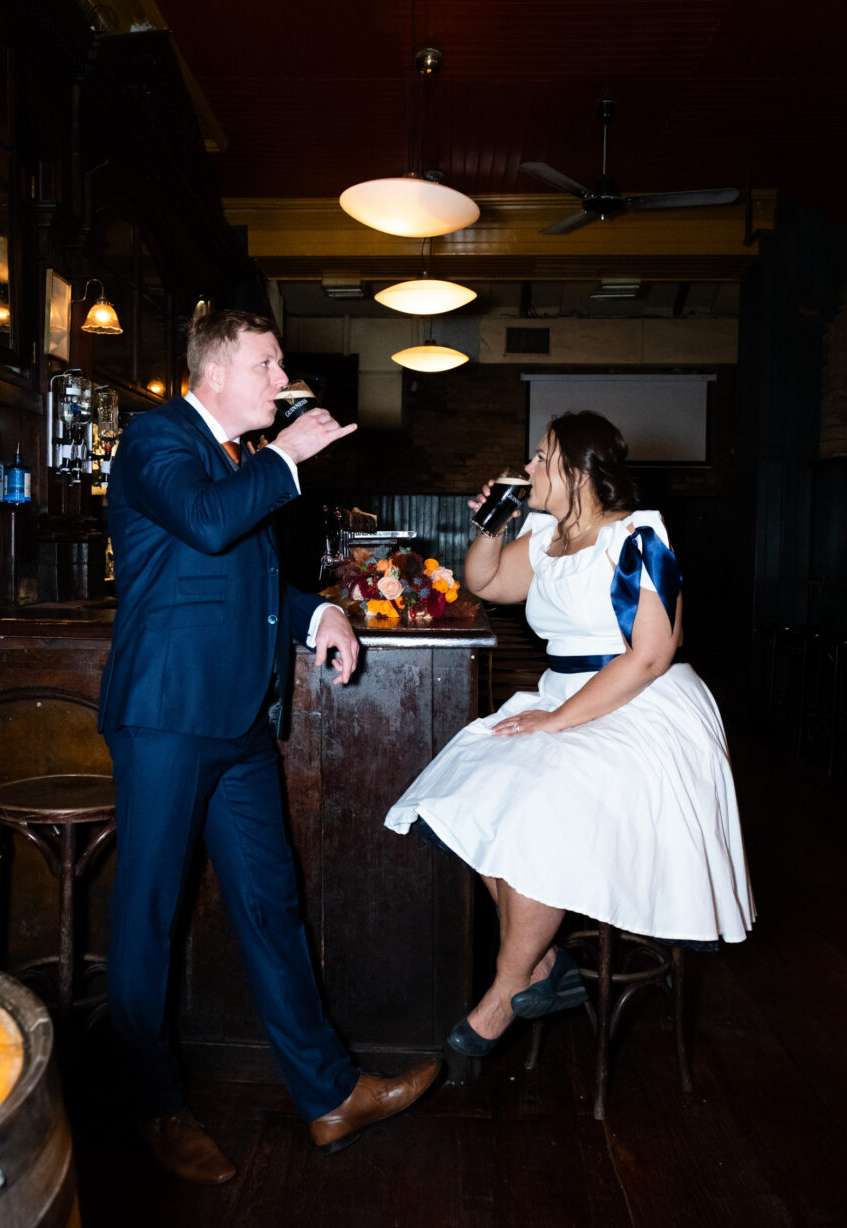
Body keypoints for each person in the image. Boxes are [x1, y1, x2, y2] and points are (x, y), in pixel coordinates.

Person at [99, 310, 439, 1181]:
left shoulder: (244, 464)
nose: (280, 375)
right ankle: (153, 1106)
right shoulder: (157, 439)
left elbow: (247, 580)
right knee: (148, 921)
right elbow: (208, 526)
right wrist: (290, 455)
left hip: (241, 725)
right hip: (167, 719)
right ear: (215, 372)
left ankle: (328, 1096)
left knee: (270, 905)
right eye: (266, 361)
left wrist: (319, 609)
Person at [385, 410, 754, 1056]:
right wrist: (492, 527)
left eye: (541, 457)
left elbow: (650, 654)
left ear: (578, 472)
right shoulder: (548, 537)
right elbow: (486, 581)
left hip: (641, 706)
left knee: (537, 808)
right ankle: (540, 966)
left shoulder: (637, 541)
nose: (528, 467)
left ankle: (505, 992)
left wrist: (556, 720)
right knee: (473, 789)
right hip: (564, 696)